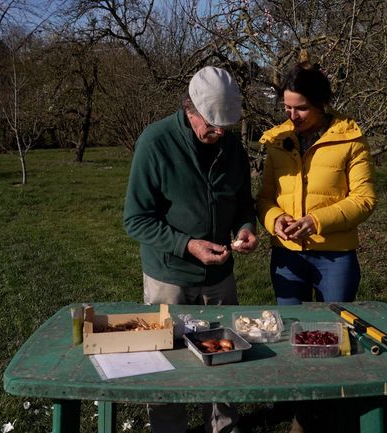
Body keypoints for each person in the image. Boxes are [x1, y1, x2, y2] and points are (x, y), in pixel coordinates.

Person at [124, 66, 258, 433]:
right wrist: (187, 245)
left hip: (220, 278)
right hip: (169, 278)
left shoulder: (231, 148)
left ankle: (224, 427)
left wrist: (247, 227)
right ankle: (170, 429)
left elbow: (244, 202)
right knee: (168, 361)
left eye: (225, 128)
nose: (218, 134)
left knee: (227, 359)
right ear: (190, 108)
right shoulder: (155, 143)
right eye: (211, 125)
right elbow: (135, 219)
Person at [257, 62, 377, 306]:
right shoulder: (277, 140)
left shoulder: (350, 139)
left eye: (301, 108)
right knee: (291, 328)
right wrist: (275, 219)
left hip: (335, 256)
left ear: (321, 104)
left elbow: (364, 199)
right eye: (287, 107)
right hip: (286, 255)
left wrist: (316, 221)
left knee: (335, 329)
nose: (292, 115)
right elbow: (264, 198)